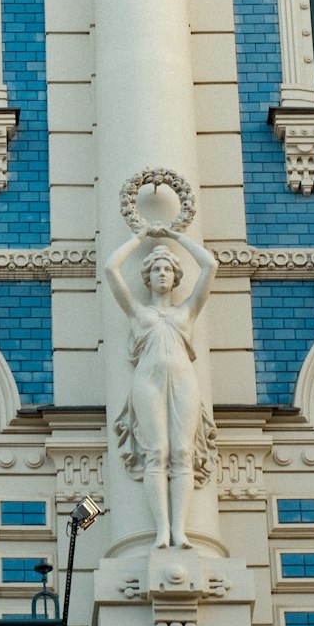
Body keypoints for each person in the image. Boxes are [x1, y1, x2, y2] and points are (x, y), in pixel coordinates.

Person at [104, 221, 218, 549]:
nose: (163, 274)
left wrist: (176, 235)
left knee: (182, 452)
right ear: (148, 277)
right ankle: (162, 531)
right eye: (156, 269)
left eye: (168, 268)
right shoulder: (138, 313)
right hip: (147, 384)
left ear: (176, 276)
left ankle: (179, 530)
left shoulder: (187, 312)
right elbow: (111, 268)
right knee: (157, 453)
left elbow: (210, 265)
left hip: (184, 382)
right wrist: (140, 236)